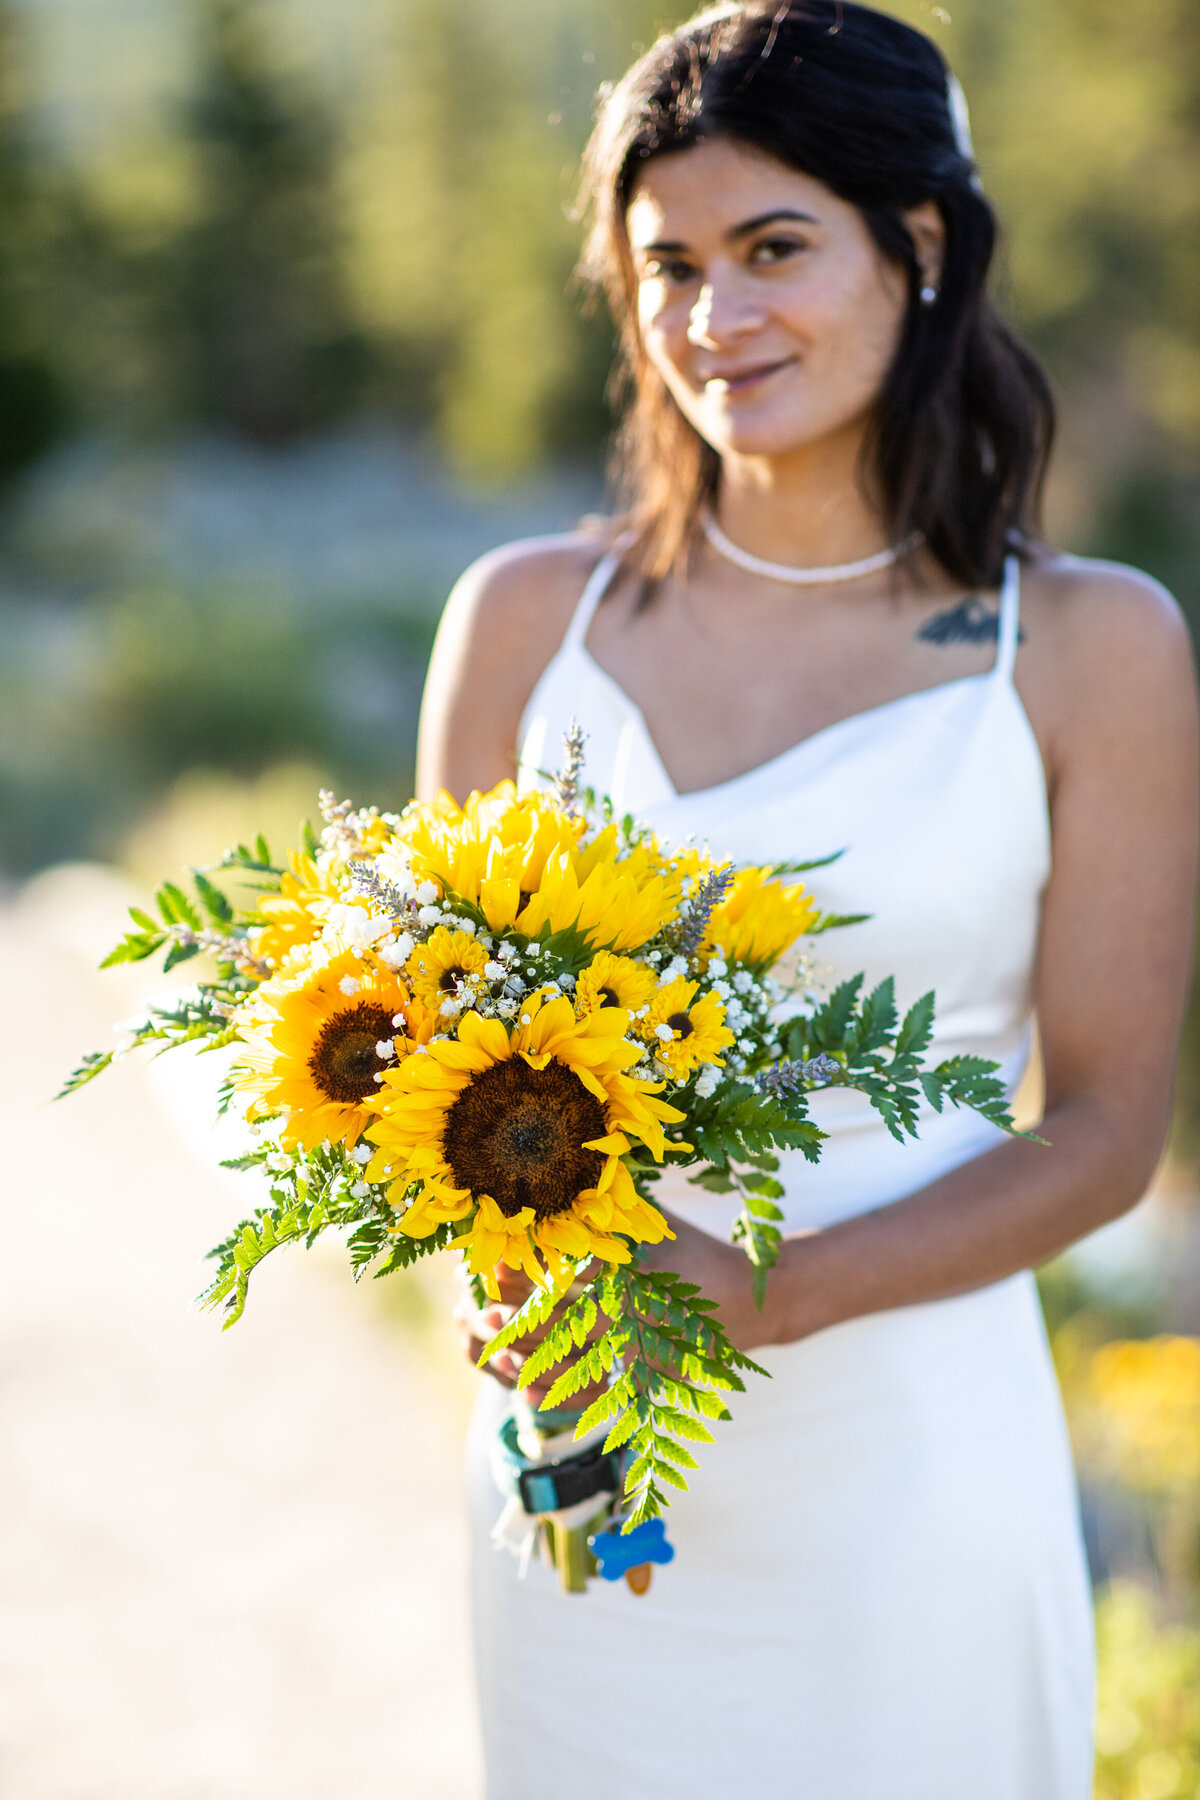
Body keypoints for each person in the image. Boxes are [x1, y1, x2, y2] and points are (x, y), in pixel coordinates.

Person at [416, 5, 1198, 1796]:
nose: (715, 319)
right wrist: (517, 1276)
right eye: (670, 264)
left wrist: (765, 1293)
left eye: (775, 249)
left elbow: (1103, 1130)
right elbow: (434, 1067)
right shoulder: (526, 624)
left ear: (917, 246)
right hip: (585, 1464)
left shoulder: (1087, 649)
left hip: (907, 1468)